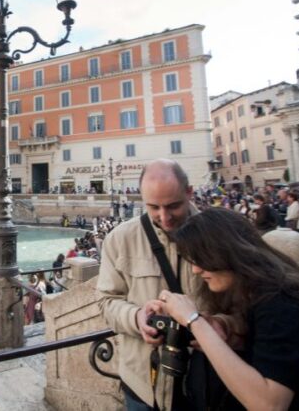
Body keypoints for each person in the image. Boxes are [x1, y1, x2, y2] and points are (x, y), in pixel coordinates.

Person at [154, 208, 299, 410]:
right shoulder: (261, 292)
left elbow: (268, 404)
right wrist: (226, 328)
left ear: (223, 253)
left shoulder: (282, 300)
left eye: (200, 259)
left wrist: (195, 321)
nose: (195, 269)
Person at [96, 159, 201, 411]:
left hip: (205, 379)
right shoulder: (120, 239)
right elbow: (105, 301)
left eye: (173, 206)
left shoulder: (219, 233)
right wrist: (137, 317)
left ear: (189, 193)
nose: (164, 217)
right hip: (143, 383)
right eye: (153, 207)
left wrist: (220, 325)